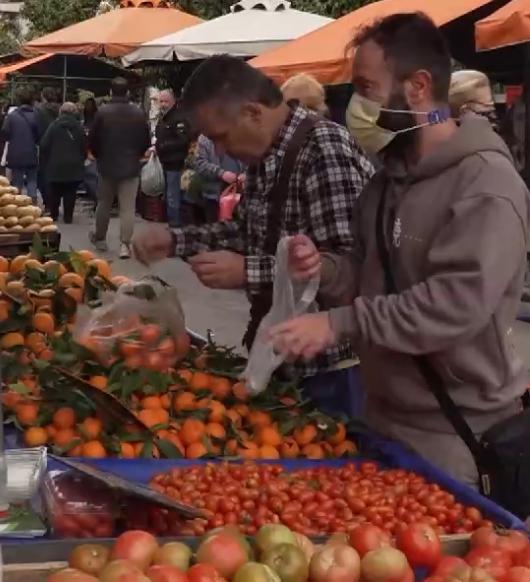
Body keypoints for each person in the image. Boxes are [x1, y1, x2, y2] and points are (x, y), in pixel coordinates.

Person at [270, 13, 530, 490]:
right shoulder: (384, 183)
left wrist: (338, 324)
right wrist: (324, 270)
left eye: (367, 87)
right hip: (382, 418)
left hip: (454, 434)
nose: (356, 104)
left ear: (418, 86)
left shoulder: (485, 186)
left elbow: (452, 308)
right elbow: (369, 273)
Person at [132, 55, 372, 418]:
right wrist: (174, 240)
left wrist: (248, 272)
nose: (223, 151)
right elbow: (245, 231)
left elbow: (349, 267)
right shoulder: (267, 155)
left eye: (221, 138)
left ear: (253, 113)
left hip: (334, 366)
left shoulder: (324, 148)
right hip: (284, 353)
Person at [89, 77, 151, 257]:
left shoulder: (102, 113)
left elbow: (93, 139)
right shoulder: (138, 113)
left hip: (106, 165)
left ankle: (100, 239)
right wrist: (136, 154)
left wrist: (99, 154)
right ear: (128, 92)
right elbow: (145, 141)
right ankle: (125, 245)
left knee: (104, 203)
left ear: (110, 92)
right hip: (131, 166)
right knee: (128, 207)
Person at [39, 102, 87, 223]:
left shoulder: (53, 126)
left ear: (61, 111)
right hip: (74, 164)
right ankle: (68, 217)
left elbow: (44, 145)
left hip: (56, 164)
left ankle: (54, 214)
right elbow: (84, 146)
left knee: (55, 191)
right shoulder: (79, 127)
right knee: (70, 191)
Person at [154, 88, 194, 228]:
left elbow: (183, 140)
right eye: (161, 101)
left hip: (175, 162)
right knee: (170, 195)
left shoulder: (178, 118)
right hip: (166, 161)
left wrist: (163, 145)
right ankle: (173, 223)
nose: (163, 104)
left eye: (166, 101)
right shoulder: (163, 117)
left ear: (173, 102)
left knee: (173, 196)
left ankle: (175, 226)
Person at [191, 134, 245, 223]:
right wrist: (221, 173)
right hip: (213, 196)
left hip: (238, 195)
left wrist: (245, 174)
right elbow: (199, 164)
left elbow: (252, 159)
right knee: (215, 230)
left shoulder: (240, 134)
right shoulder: (204, 138)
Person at [3, 87, 42, 198]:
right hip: (31, 151)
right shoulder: (36, 115)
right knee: (32, 180)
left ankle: (17, 205)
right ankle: (32, 203)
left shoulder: (11, 116)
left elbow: (5, 133)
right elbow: (39, 134)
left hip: (15, 152)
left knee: (17, 181)